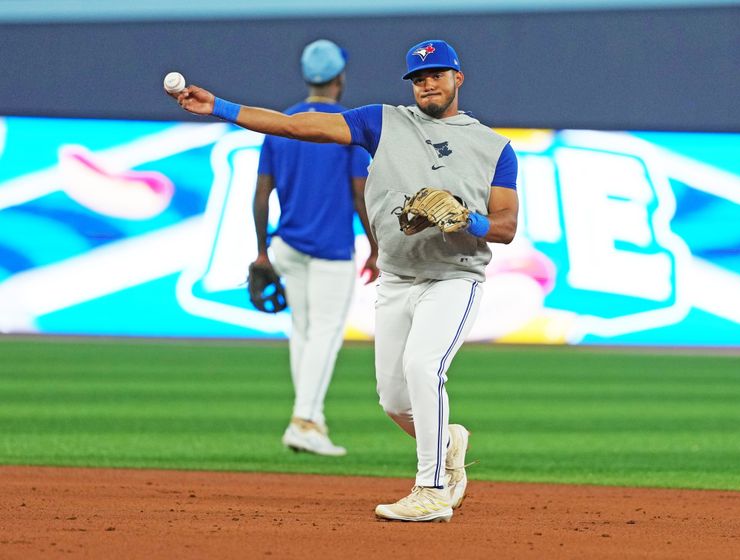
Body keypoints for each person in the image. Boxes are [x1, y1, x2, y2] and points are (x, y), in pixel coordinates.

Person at [171, 38, 519, 523]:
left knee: (423, 367)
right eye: (419, 78)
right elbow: (296, 126)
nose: (427, 84)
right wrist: (222, 108)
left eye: (436, 75)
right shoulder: (382, 122)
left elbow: (505, 227)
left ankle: (433, 489)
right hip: (397, 278)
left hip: (453, 278)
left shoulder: (494, 147)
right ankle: (449, 441)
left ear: (457, 78)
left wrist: (469, 220)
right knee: (394, 399)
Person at [251, 39, 378, 457]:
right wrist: (376, 247)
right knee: (324, 335)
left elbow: (261, 195)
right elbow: (360, 195)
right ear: (340, 78)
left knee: (304, 334)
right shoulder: (347, 127)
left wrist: (262, 251)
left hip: (288, 244)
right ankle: (303, 421)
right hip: (330, 249)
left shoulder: (280, 125)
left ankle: (313, 419)